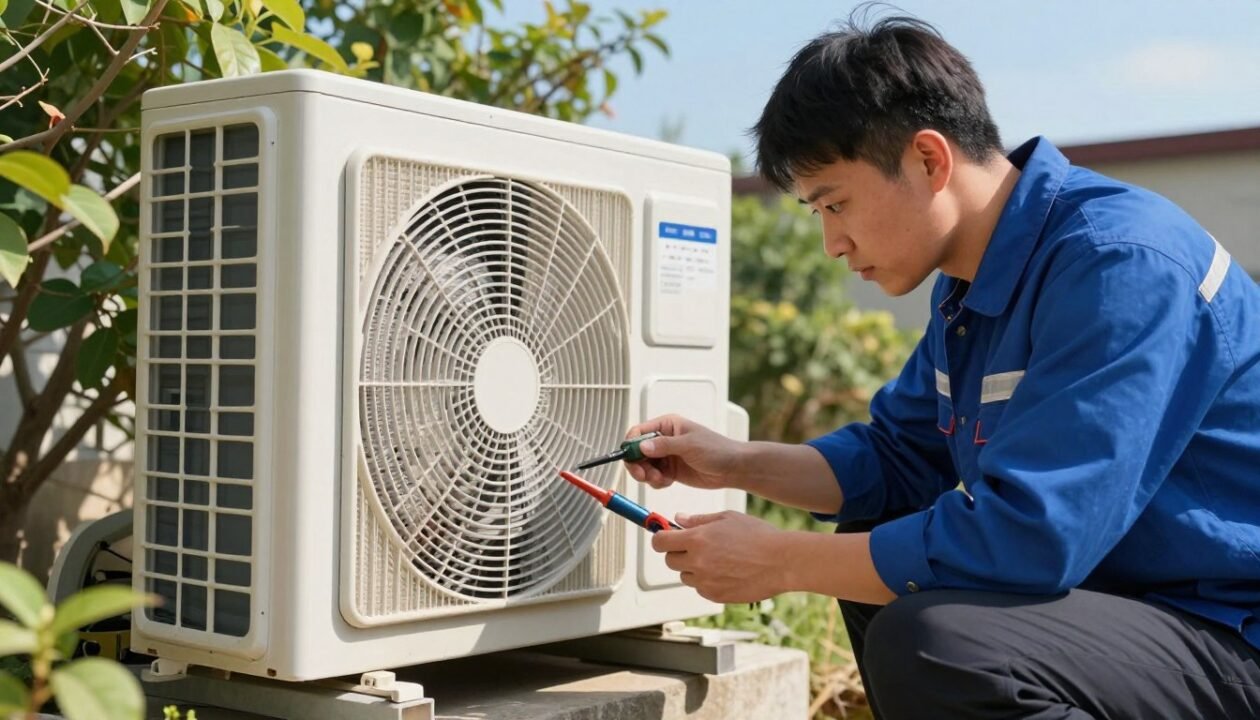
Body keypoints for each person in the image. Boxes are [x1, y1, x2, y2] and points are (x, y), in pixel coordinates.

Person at [624, 12, 1260, 720]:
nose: (833, 242)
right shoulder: (972, 287)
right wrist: (734, 462)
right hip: (1131, 614)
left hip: (1230, 629)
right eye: (816, 215)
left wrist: (778, 561)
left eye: (836, 203)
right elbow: (895, 461)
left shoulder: (1120, 263)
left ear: (929, 159)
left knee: (933, 642)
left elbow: (1029, 538)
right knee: (883, 550)